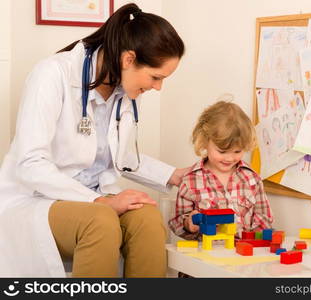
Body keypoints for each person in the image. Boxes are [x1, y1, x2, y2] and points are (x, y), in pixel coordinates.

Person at [0, 3, 190, 278]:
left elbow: (122, 157)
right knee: (100, 221)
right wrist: (98, 201)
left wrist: (175, 175)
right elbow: (30, 163)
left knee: (147, 218)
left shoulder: (123, 92)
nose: (158, 87)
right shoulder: (52, 75)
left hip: (93, 199)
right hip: (37, 200)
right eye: (156, 77)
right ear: (128, 59)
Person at [168, 99, 274, 240]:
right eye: (222, 152)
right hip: (207, 255)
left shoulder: (252, 178)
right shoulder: (190, 181)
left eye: (237, 151)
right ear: (205, 141)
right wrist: (189, 223)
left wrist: (253, 239)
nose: (229, 158)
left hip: (244, 254)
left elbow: (264, 218)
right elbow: (178, 224)